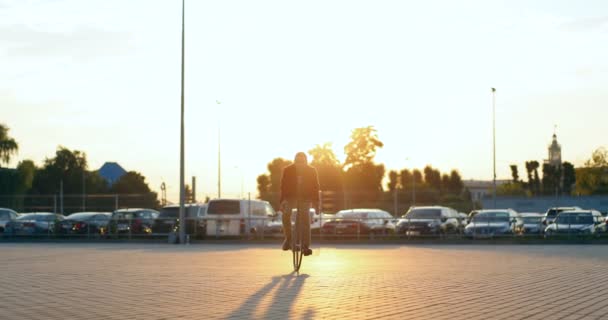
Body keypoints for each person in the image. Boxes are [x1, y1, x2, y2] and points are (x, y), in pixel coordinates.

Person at [280, 152, 320, 256]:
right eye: (297, 161)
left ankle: (305, 246)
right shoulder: (288, 170)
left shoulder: (311, 171)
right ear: (294, 161)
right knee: (286, 214)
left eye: (302, 162)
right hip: (290, 197)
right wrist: (282, 201)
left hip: (305, 198)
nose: (300, 164)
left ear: (306, 162)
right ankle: (288, 239)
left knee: (305, 218)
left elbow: (316, 187)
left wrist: (316, 203)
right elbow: (283, 186)